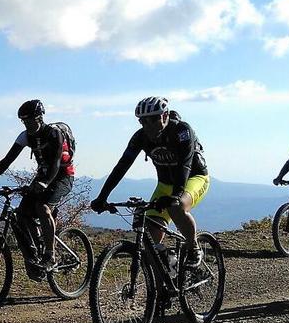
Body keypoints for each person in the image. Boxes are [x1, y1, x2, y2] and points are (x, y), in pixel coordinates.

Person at [90, 96, 209, 266]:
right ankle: (164, 281)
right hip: (165, 185)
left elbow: (185, 164)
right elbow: (121, 167)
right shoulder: (140, 137)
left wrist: (176, 195)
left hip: (194, 178)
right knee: (151, 245)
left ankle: (193, 247)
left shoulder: (182, 131)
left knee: (176, 207)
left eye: (154, 119)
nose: (148, 126)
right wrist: (102, 197)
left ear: (165, 115)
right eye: (143, 122)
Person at [0, 99, 75, 277]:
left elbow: (55, 164)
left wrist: (43, 183)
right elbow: (6, 161)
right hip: (42, 176)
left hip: (63, 176)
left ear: (40, 117)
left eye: (29, 120)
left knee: (42, 208)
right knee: (21, 214)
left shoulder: (54, 133)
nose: (27, 124)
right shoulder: (25, 136)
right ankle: (35, 253)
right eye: (23, 121)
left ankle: (50, 255)